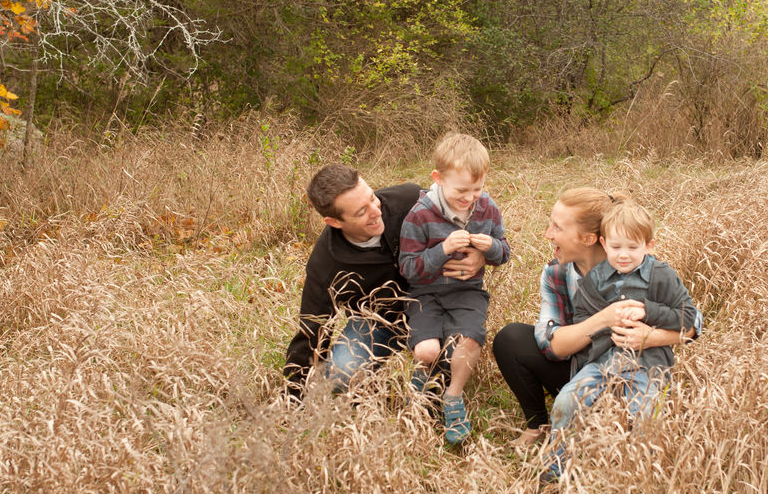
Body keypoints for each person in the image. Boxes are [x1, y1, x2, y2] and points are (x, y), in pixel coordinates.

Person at [491, 188, 695, 450]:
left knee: (637, 429)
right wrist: (603, 319)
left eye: (557, 227)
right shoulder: (556, 273)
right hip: (582, 369)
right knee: (511, 339)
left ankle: (619, 426)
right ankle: (539, 424)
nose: (548, 234)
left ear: (588, 238)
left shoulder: (640, 268)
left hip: (635, 371)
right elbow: (550, 345)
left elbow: (692, 324)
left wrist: (651, 337)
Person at [283, 163, 484, 397]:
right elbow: (312, 331)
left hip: (437, 302)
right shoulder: (326, 264)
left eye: (372, 197)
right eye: (361, 212)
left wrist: (482, 254)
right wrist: (291, 397)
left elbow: (470, 212)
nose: (376, 211)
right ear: (335, 222)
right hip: (379, 321)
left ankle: (432, 386)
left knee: (451, 357)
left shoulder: (409, 200)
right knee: (340, 374)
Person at [540, 198, 702, 481]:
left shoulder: (660, 275)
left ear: (649, 245)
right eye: (615, 247)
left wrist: (648, 311)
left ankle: (643, 477)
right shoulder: (595, 280)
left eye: (632, 247)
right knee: (566, 401)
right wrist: (607, 322)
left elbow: (687, 316)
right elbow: (583, 321)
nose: (623, 255)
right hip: (602, 362)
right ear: (603, 244)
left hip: (646, 364)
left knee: (645, 414)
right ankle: (555, 469)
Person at [398, 133, 511, 444]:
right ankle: (419, 388)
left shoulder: (486, 208)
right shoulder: (420, 214)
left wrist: (490, 249)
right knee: (428, 350)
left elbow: (505, 252)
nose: (470, 197)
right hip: (425, 293)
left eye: (477, 188)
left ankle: (453, 397)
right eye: (461, 190)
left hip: (467, 292)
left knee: (469, 341)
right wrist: (443, 249)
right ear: (438, 179)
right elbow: (407, 267)